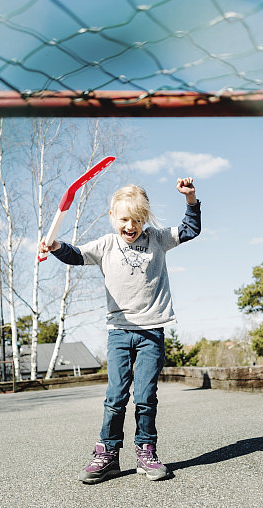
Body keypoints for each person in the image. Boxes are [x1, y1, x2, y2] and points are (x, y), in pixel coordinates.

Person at [38, 178, 201, 484]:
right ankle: (108, 454)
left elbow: (190, 229)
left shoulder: (158, 239)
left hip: (151, 330)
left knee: (145, 396)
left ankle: (146, 450)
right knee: (115, 396)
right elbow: (75, 254)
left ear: (146, 219)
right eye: (124, 219)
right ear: (112, 217)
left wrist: (190, 198)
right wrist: (56, 246)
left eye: (138, 220)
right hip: (118, 331)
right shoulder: (106, 244)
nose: (131, 226)